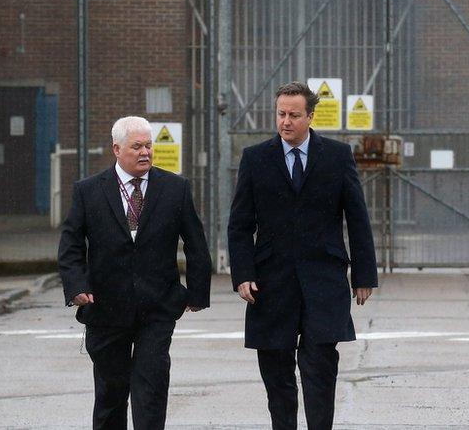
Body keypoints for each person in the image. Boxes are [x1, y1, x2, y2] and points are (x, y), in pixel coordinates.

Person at [228, 81, 378, 430]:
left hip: (323, 280)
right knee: (276, 370)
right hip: (270, 283)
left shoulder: (338, 156)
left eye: (294, 115)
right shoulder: (256, 159)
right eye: (281, 114)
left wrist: (364, 276)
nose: (286, 121)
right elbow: (239, 225)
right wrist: (243, 274)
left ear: (310, 116)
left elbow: (357, 218)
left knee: (320, 366)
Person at [58, 115, 212, 430]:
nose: (145, 153)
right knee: (110, 394)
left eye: (148, 145)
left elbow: (196, 245)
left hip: (157, 308)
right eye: (136, 146)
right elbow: (71, 245)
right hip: (106, 308)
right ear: (117, 149)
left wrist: (196, 294)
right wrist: (76, 287)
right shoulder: (89, 191)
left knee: (151, 389)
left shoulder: (175, 188)